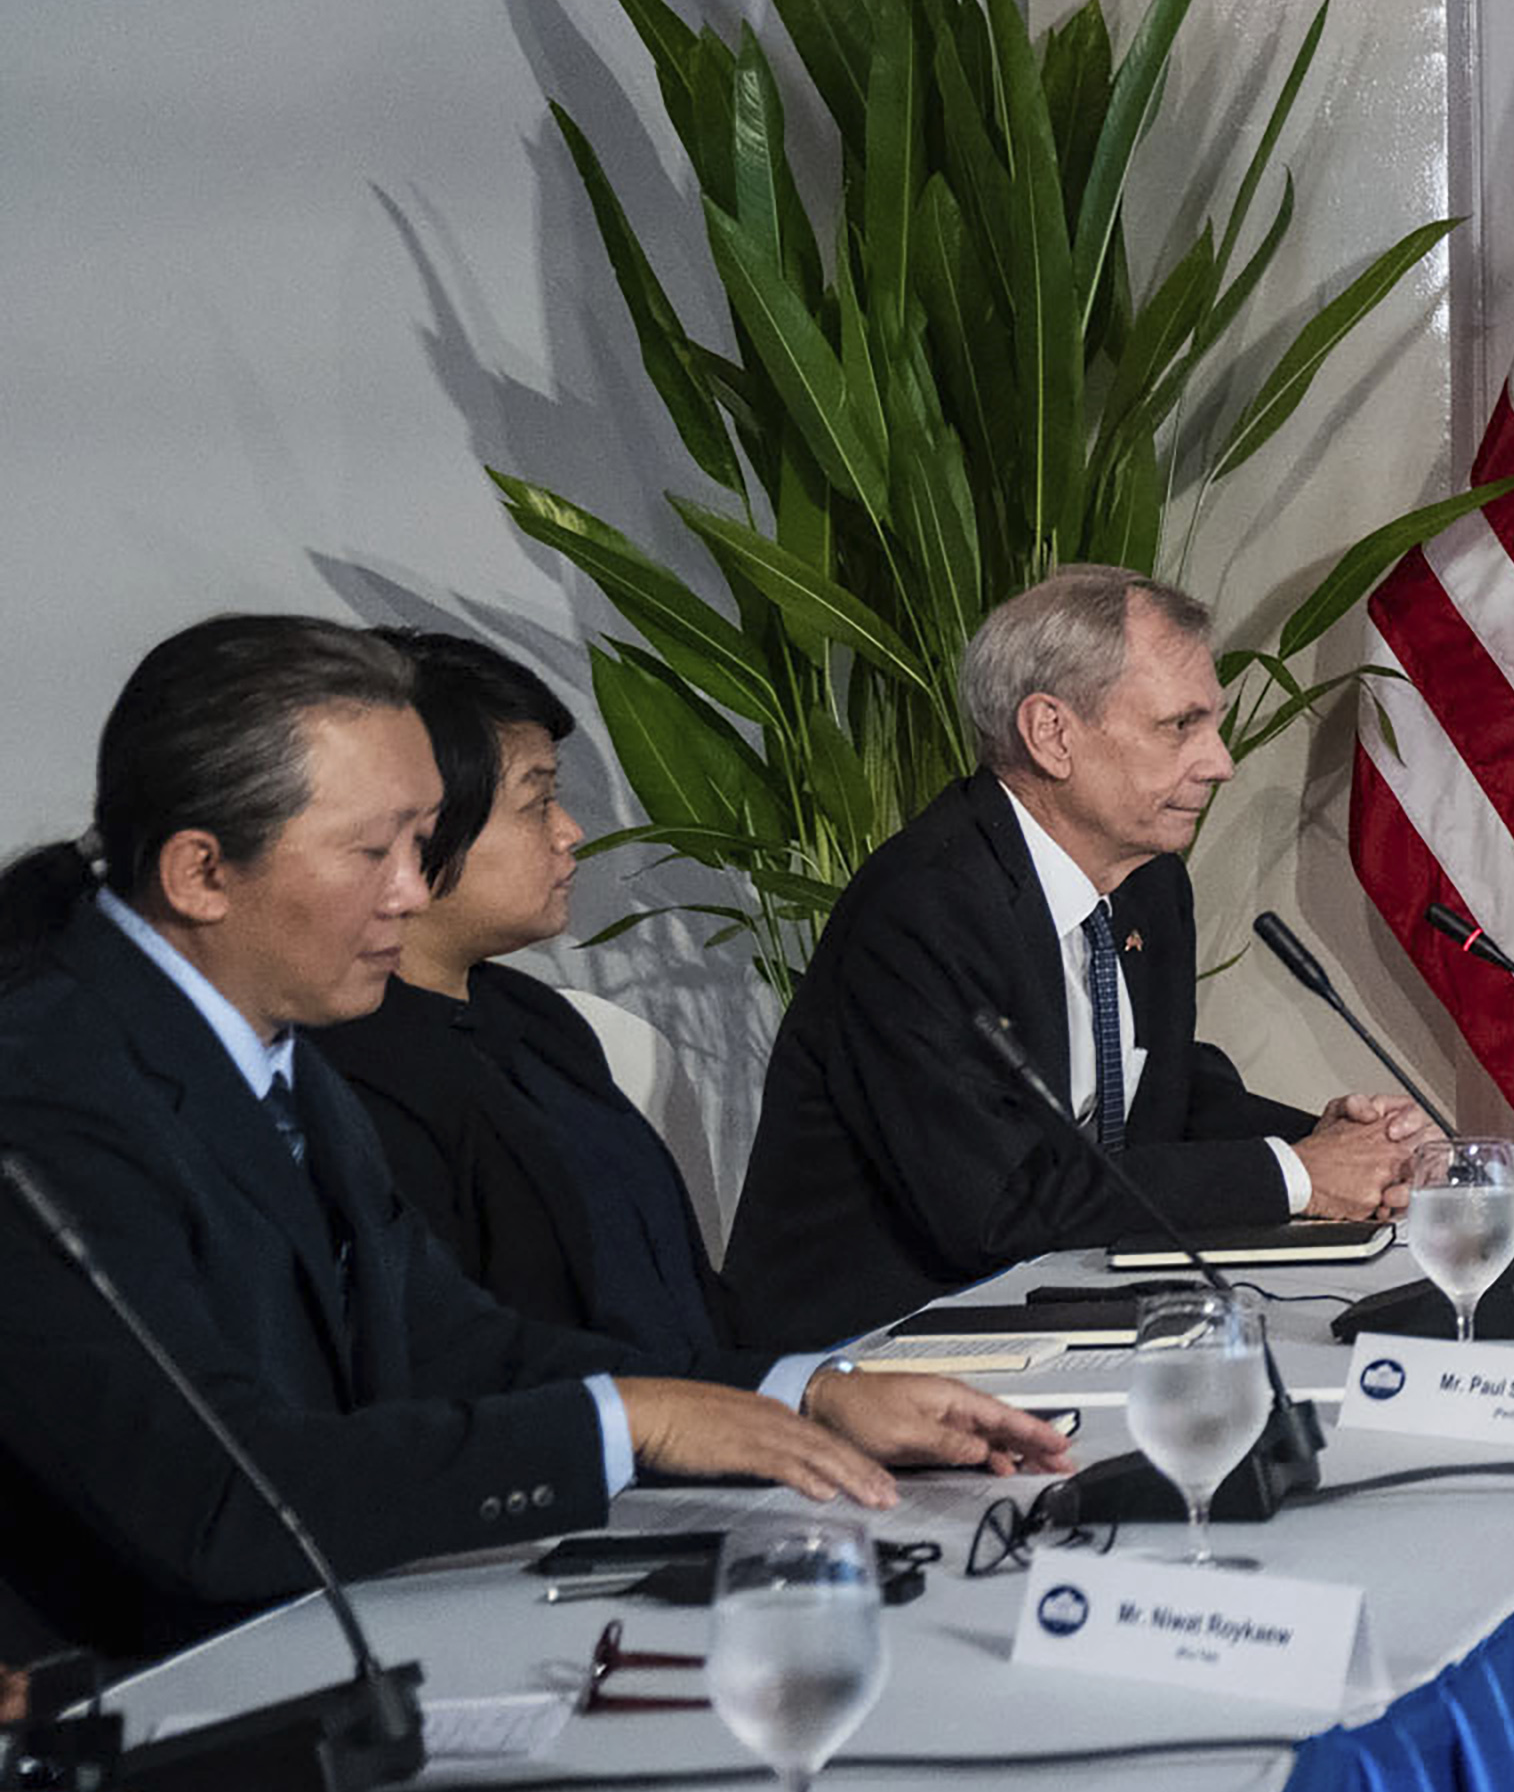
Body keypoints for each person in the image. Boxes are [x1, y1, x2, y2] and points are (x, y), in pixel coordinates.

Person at [0, 618, 1067, 1656]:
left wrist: (800, 1395)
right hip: (139, 1708)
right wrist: (620, 1421)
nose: (412, 893)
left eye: (421, 844)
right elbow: (219, 1494)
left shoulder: (271, 1041)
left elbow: (455, 1340)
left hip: (321, 1641)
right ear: (201, 873)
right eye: (373, 851)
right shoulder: (49, 1096)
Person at [718, 569, 1440, 1351]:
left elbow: (1150, 1098)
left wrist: (1334, 1144)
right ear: (1052, 735)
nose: (1220, 762)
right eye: (1180, 726)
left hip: (1052, 1305)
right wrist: (1295, 1175)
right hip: (863, 1352)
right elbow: (996, 1205)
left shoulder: (1146, 880)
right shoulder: (925, 906)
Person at [305, 633, 727, 1355]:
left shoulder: (538, 1020)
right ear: (421, 825)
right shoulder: (347, 1068)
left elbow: (680, 1291)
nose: (569, 834)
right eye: (538, 801)